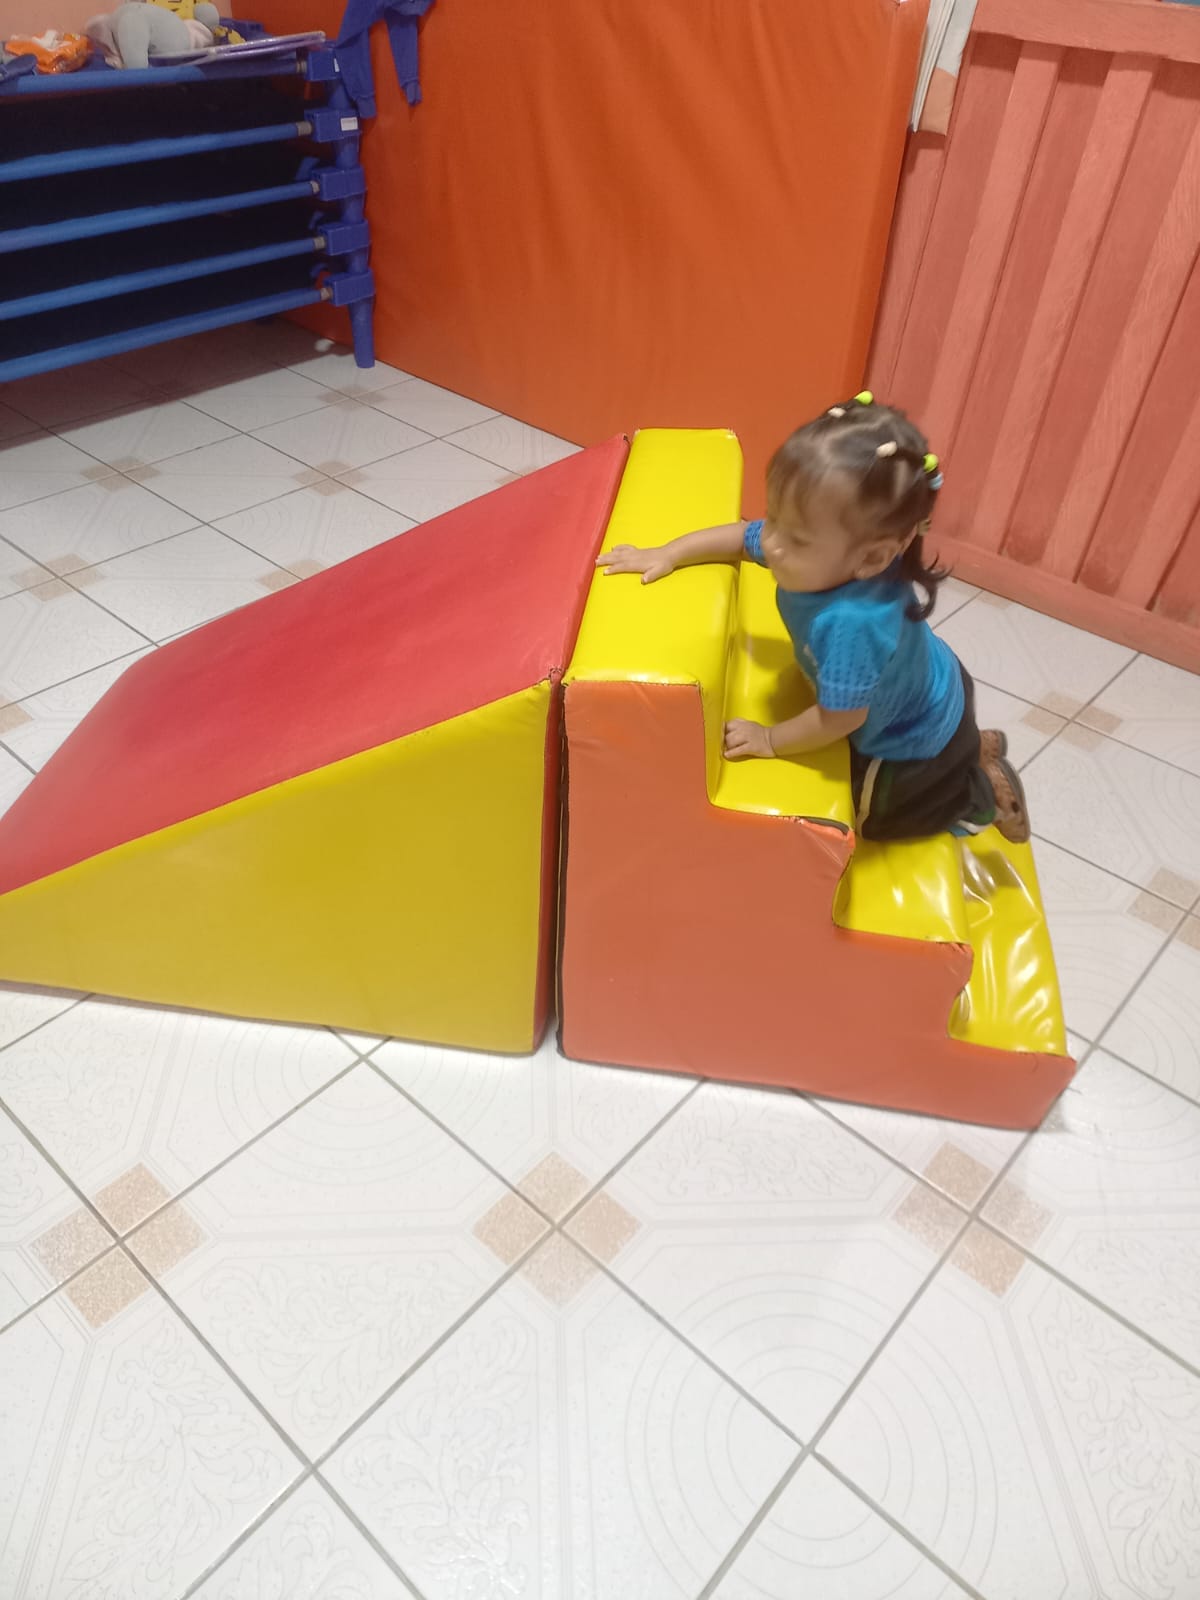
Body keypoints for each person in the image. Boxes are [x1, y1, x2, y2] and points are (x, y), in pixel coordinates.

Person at [597, 394, 1029, 843]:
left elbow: (840, 721)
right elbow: (742, 537)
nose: (772, 542)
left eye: (796, 538)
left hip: (910, 745)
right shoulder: (810, 546)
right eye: (775, 517)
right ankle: (970, 745)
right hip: (935, 684)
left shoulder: (851, 625)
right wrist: (668, 553)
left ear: (873, 557)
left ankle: (977, 794)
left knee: (872, 822)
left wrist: (770, 740)